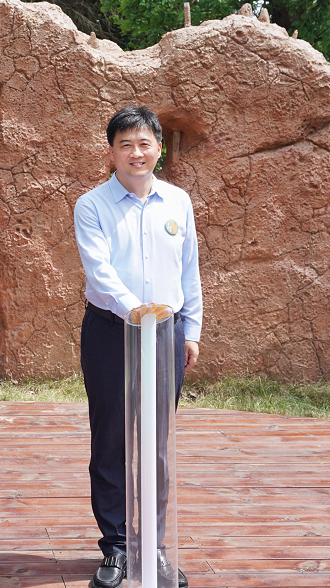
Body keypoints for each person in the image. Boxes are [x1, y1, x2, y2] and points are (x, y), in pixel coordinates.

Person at [74, 105, 202, 588]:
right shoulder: (92, 205)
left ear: (158, 149)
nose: (136, 153)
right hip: (111, 331)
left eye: (144, 143)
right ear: (111, 151)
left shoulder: (178, 203)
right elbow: (100, 271)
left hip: (166, 334)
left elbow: (189, 269)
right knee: (111, 439)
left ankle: (154, 547)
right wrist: (136, 311)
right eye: (125, 144)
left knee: (157, 443)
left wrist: (191, 329)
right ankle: (116, 547)